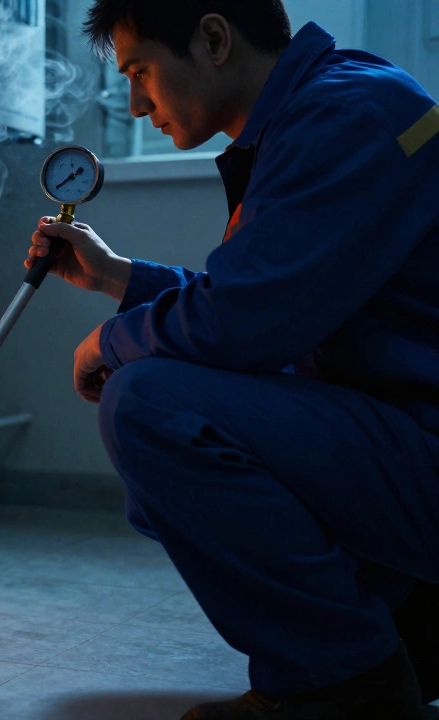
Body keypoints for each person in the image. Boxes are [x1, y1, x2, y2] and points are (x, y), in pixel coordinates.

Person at [24, 1, 439, 718]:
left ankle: (343, 686)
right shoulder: (328, 107)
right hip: (408, 433)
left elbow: (246, 323)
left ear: (214, 39)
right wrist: (119, 277)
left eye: (141, 71)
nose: (136, 103)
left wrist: (108, 341)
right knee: (178, 402)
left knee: (150, 404)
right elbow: (276, 304)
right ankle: (401, 627)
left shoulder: (347, 118)